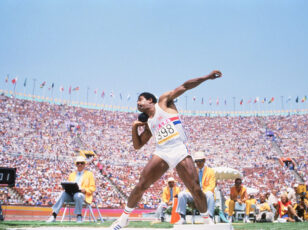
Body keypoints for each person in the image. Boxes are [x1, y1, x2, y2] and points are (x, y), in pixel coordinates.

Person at [111, 70, 222, 229]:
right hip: (162, 152)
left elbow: (185, 86)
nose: (137, 103)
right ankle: (123, 219)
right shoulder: (149, 123)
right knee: (141, 184)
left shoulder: (164, 102)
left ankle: (207, 221)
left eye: (140, 100)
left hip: (178, 148)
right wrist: (134, 127)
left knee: (195, 188)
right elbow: (137, 145)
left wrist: (207, 77)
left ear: (150, 100)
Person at [46, 156, 96, 223]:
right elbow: (70, 184)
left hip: (83, 195)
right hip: (72, 194)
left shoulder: (89, 174)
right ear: (76, 164)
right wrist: (66, 187)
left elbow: (93, 188)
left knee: (78, 195)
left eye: (81, 163)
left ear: (84, 164)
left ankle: (79, 215)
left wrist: (85, 190)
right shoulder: (72, 174)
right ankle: (54, 215)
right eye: (78, 163)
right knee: (63, 194)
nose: (80, 164)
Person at [176, 151, 216, 224]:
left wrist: (201, 193)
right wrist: (194, 192)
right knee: (181, 194)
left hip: (205, 193)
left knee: (210, 194)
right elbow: (189, 184)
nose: (198, 163)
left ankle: (210, 217)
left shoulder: (211, 171)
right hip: (194, 193)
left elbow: (211, 186)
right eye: (196, 161)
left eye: (200, 161)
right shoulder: (192, 171)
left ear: (204, 160)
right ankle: (182, 218)